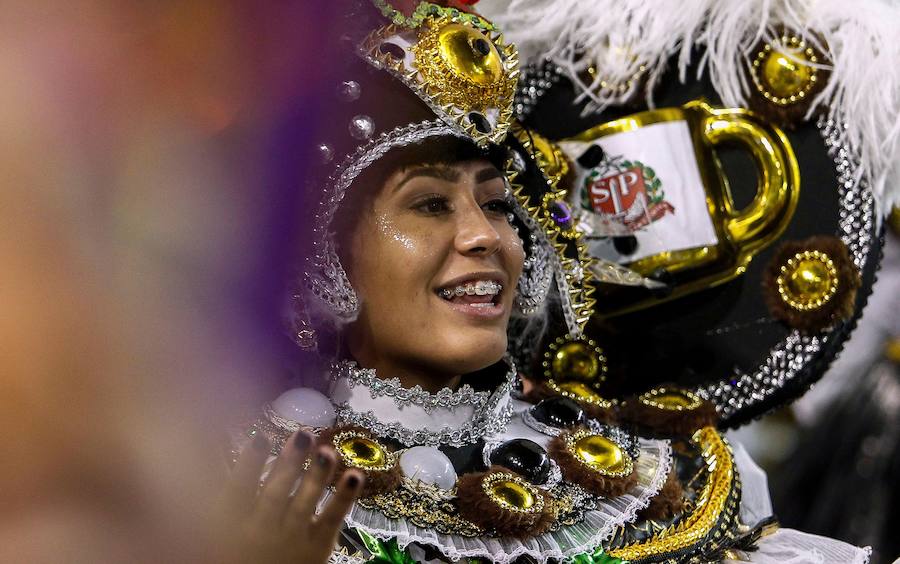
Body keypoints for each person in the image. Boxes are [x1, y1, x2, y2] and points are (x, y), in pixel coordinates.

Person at [226, 1, 876, 562]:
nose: (484, 235)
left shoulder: (645, 478)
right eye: (429, 204)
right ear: (323, 254)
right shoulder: (217, 468)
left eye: (499, 204)